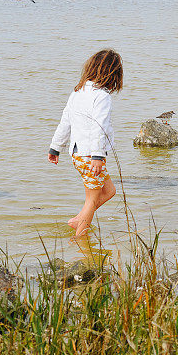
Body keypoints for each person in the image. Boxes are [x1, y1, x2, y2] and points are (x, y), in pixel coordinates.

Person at [48, 49, 123, 237]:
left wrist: (55, 148)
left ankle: (78, 219)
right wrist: (98, 156)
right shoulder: (102, 97)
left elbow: (65, 121)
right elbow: (100, 127)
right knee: (92, 200)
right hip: (91, 156)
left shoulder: (78, 92)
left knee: (109, 191)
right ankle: (79, 237)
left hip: (77, 154)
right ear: (113, 74)